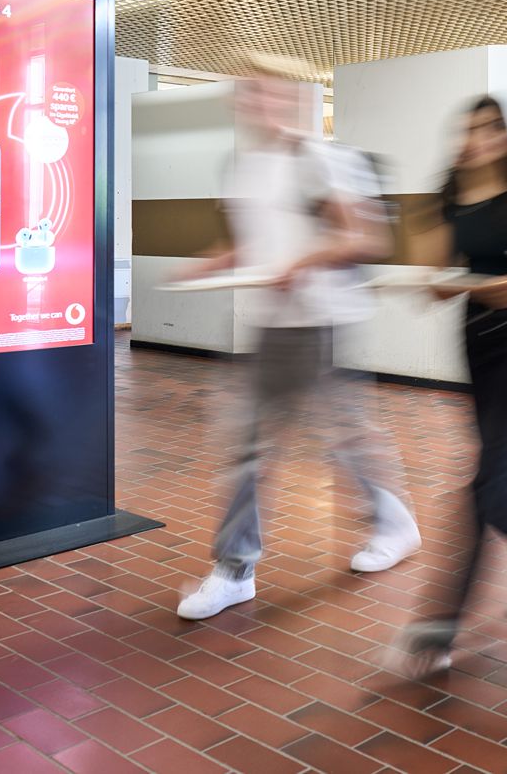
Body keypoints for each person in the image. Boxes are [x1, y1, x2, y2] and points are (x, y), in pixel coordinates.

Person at [175, 71, 421, 620]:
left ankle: (393, 523)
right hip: (273, 325)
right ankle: (236, 569)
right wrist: (209, 264)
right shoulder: (244, 166)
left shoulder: (317, 159)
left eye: (268, 93)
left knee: (341, 437)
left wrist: (303, 263)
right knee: (253, 444)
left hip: (322, 318)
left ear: (291, 101)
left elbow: (366, 237)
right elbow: (249, 243)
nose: (256, 102)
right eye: (247, 94)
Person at [404, 96, 507, 672]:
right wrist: (478, 283)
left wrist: (489, 285)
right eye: (471, 129)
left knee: (484, 480)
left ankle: (438, 625)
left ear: (505, 137)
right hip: (476, 343)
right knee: (499, 473)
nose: (479, 140)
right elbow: (432, 282)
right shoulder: (448, 197)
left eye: (490, 129)